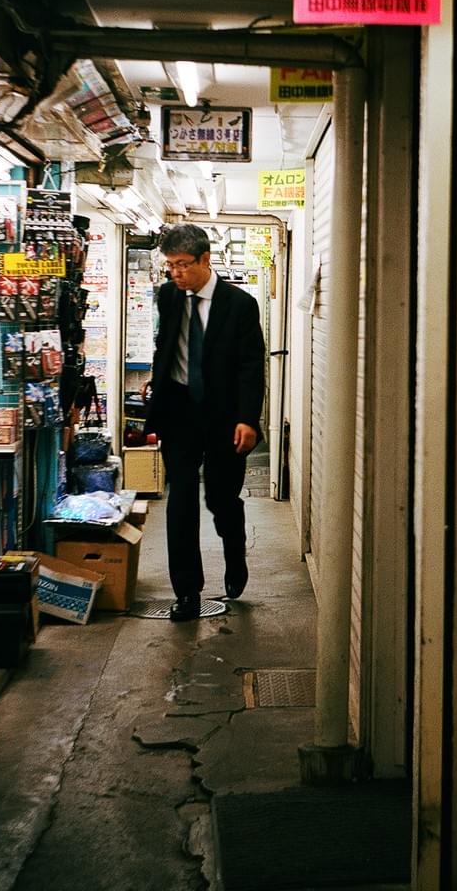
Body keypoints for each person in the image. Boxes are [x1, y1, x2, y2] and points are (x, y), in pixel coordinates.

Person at [146, 223, 266, 621]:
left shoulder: (240, 305)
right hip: (178, 412)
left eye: (182, 265)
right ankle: (187, 592)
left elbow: (251, 367)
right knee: (179, 499)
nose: (176, 273)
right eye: (170, 266)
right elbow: (167, 344)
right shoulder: (168, 296)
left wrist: (248, 418)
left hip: (224, 418)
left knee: (221, 499)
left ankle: (235, 553)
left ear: (204, 260)